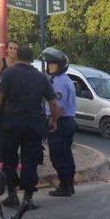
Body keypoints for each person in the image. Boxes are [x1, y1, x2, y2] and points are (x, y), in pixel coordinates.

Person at [0, 44, 60, 210]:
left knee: (9, 160)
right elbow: (53, 103)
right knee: (30, 161)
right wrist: (54, 120)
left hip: (11, 122)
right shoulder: (41, 77)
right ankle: (28, 198)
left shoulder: (9, 73)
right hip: (33, 124)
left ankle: (12, 195)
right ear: (31, 59)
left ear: (18, 56)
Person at [42, 47, 77, 197]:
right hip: (67, 122)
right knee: (66, 153)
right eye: (49, 63)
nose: (50, 65)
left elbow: (58, 107)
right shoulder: (62, 80)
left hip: (61, 122)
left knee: (58, 155)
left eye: (53, 63)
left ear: (61, 65)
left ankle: (65, 186)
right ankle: (69, 184)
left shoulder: (59, 83)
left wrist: (52, 121)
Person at [0, 40, 19, 168]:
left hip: (14, 101)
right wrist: (6, 81)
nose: (13, 51)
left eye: (16, 49)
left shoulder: (19, 64)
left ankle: (12, 159)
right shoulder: (0, 62)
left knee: (14, 133)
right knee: (0, 131)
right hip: (1, 99)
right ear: (6, 49)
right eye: (11, 48)